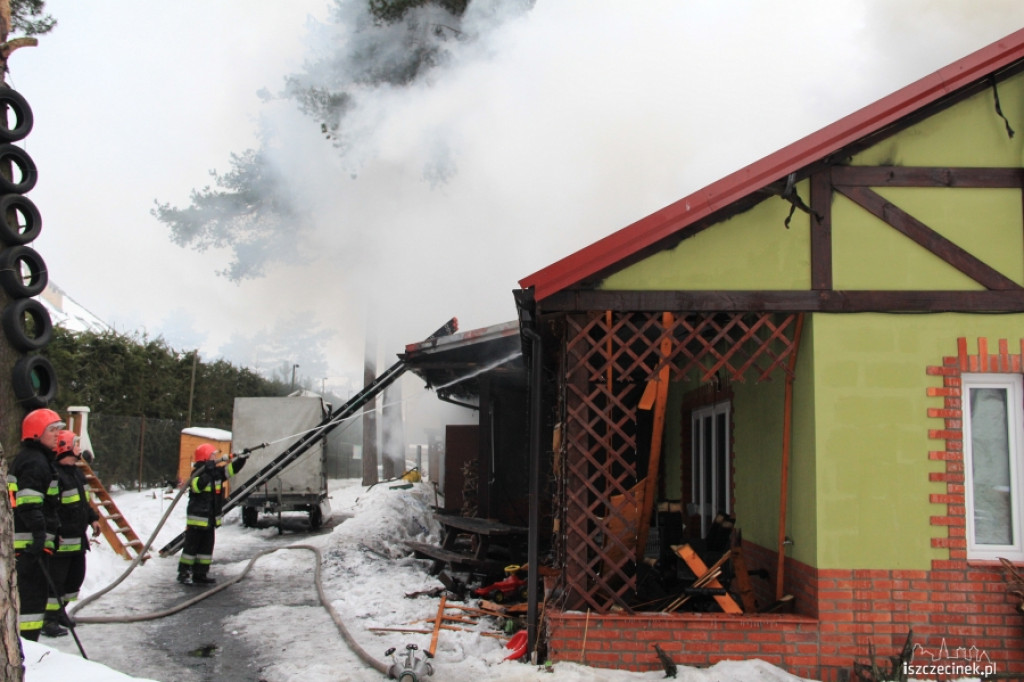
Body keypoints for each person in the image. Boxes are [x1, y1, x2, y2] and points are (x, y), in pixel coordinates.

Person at [8, 408, 64, 641]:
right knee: (30, 600)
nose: (56, 435)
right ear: (35, 433)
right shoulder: (35, 462)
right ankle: (27, 646)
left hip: (30, 544)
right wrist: (40, 537)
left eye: (58, 430)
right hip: (29, 546)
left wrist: (53, 531)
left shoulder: (35, 459)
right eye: (51, 430)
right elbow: (30, 504)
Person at [42, 430, 100, 637]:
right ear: (65, 446)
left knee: (74, 580)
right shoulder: (54, 475)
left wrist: (92, 518)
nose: (79, 448)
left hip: (78, 539)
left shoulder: (77, 473)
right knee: (55, 582)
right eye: (75, 444)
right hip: (61, 541)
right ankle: (48, 620)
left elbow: (84, 503)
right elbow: (50, 507)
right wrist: (54, 531)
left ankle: (60, 612)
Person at [177, 443, 247, 585]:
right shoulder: (197, 471)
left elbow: (230, 470)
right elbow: (197, 486)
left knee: (206, 550)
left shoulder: (216, 473)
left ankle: (200, 574)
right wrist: (207, 472)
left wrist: (242, 459)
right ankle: (184, 573)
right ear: (205, 457)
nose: (215, 457)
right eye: (212, 455)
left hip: (209, 520)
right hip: (197, 521)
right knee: (191, 548)